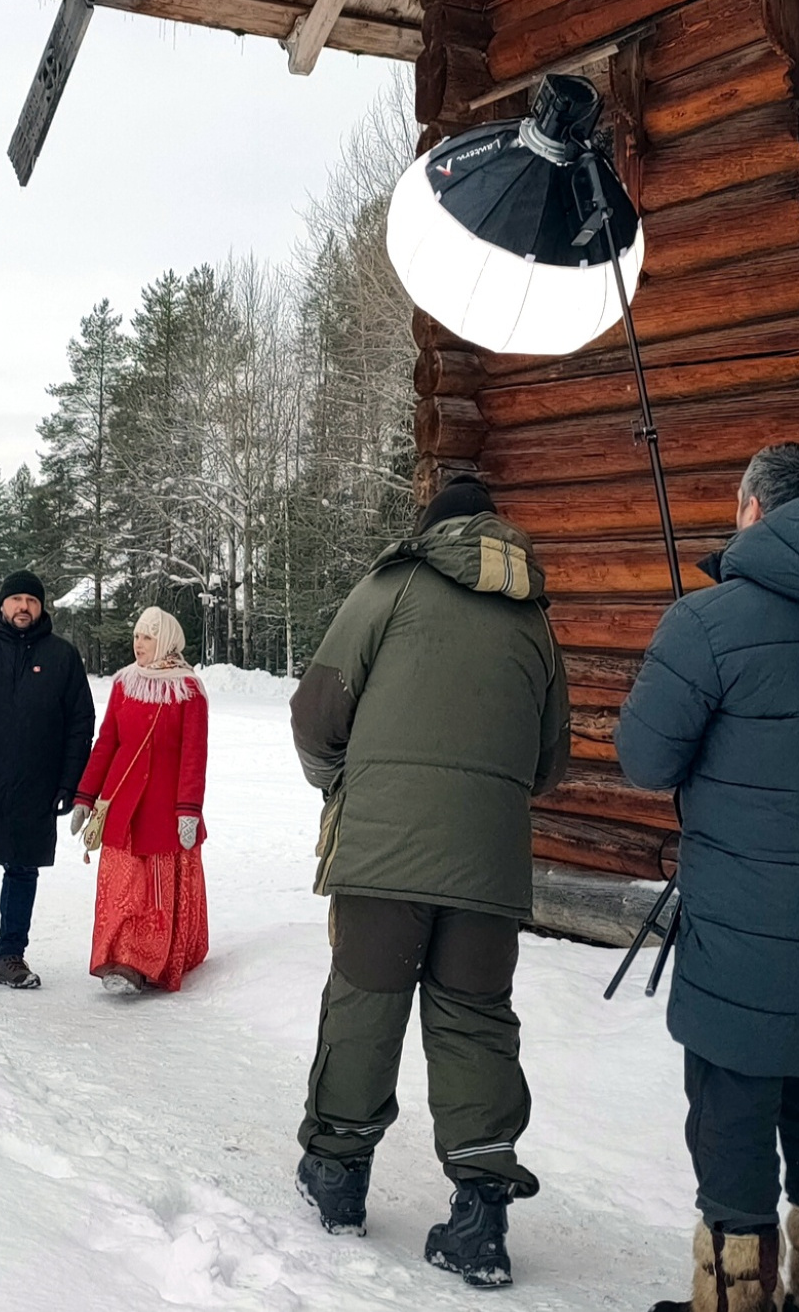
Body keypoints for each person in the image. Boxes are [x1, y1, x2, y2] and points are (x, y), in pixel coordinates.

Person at [615, 442, 799, 1312]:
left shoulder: (706, 622)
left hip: (744, 922)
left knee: (732, 1106)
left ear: (752, 508)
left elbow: (644, 757)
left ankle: (735, 1297)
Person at [288, 477, 571, 1289]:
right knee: (476, 1020)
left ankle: (338, 1178)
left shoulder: (391, 583)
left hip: (384, 848)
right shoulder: (532, 616)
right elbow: (551, 758)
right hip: (489, 861)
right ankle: (480, 1216)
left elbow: (317, 708)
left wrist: (336, 780)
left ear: (430, 528)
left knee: (365, 1003)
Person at [0, 570, 95, 989]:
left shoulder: (62, 656)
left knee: (23, 868)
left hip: (36, 782)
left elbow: (80, 723)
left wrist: (69, 782)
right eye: (16, 600)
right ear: (2, 605)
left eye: (31, 600)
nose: (23, 607)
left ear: (41, 607)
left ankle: (11, 954)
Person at [70, 606, 211, 994]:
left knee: (155, 892)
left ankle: (143, 962)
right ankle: (119, 957)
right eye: (136, 636)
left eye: (148, 637)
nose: (139, 644)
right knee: (122, 889)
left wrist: (188, 810)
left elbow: (193, 755)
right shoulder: (124, 684)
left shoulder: (188, 690)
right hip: (121, 806)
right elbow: (108, 744)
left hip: (163, 811)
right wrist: (85, 797)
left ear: (165, 640)